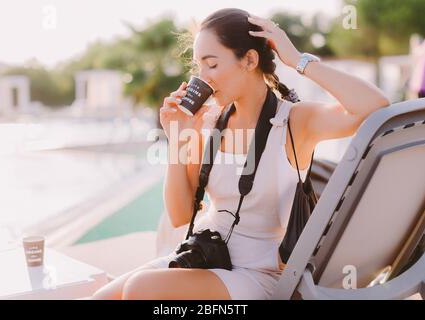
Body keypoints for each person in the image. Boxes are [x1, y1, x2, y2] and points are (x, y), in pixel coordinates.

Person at [92, 8, 389, 300]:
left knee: (140, 290)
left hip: (260, 275)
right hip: (205, 255)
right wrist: (177, 140)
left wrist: (296, 59)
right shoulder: (208, 122)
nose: (203, 77)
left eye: (211, 64)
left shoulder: (294, 122)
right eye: (199, 67)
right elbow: (180, 214)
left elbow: (373, 105)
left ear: (249, 60)